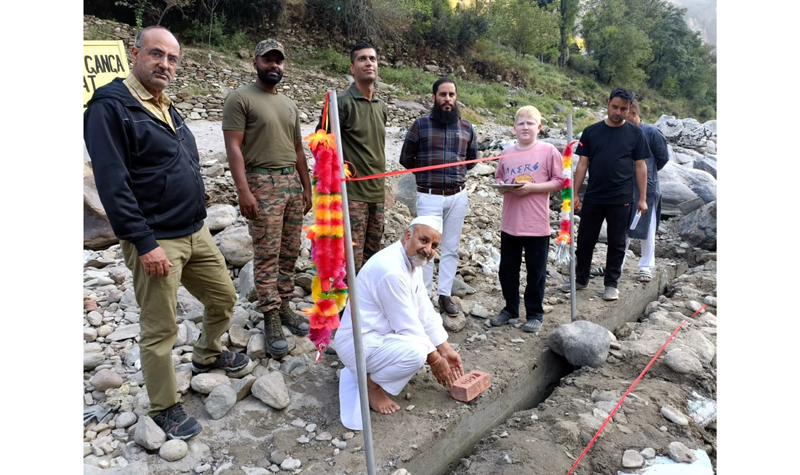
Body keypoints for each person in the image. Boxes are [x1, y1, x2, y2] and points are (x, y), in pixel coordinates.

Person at [84, 26, 250, 440]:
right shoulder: (111, 107)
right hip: (156, 239)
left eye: (172, 58)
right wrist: (144, 243)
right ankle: (163, 406)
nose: (165, 64)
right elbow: (113, 184)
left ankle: (206, 354)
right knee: (161, 328)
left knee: (223, 298)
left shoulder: (165, 105)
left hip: (194, 230)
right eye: (157, 54)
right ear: (135, 52)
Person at [222, 39, 313, 358]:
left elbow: (298, 148)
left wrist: (307, 187)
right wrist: (243, 190)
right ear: (256, 63)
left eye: (278, 60)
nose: (274, 65)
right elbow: (233, 147)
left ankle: (284, 304)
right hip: (262, 182)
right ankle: (270, 316)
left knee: (289, 251)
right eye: (267, 59)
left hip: (291, 183)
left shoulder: (289, 104)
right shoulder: (240, 98)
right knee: (267, 254)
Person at [334, 216, 465, 431]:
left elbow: (423, 310)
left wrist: (446, 349)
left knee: (423, 348)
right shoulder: (391, 270)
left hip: (380, 337)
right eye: (423, 240)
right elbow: (407, 325)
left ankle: (374, 373)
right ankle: (372, 385)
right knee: (417, 353)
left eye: (434, 246)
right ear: (407, 236)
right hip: (358, 344)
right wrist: (435, 361)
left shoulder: (412, 262)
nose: (428, 250)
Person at [399, 77, 478, 316]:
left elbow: (472, 160)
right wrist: (428, 175)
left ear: (456, 98)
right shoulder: (420, 125)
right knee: (424, 248)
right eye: (443, 94)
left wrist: (453, 175)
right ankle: (423, 297)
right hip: (429, 196)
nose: (447, 99)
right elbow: (406, 158)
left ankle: (444, 295)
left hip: (458, 197)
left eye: (451, 95)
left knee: (451, 247)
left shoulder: (467, 127)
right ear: (434, 98)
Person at [562, 88, 650, 301]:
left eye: (623, 109)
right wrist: (575, 193)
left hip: (621, 198)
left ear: (629, 109)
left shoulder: (636, 133)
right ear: (608, 103)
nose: (618, 112)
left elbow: (641, 166)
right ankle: (581, 279)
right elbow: (582, 164)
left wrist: (642, 198)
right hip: (594, 195)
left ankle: (611, 284)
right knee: (585, 240)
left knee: (617, 242)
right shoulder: (591, 132)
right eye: (615, 107)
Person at [489, 106, 564, 333]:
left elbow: (559, 181)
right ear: (514, 127)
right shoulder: (507, 152)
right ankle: (510, 309)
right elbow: (499, 178)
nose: (525, 127)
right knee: (507, 271)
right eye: (521, 123)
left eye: (530, 123)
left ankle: (535, 314)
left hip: (537, 225)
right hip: (510, 223)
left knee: (536, 273)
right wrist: (502, 187)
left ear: (539, 127)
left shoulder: (548, 151)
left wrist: (532, 188)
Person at [320, 43, 388, 273]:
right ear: (352, 67)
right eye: (362, 59)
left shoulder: (381, 106)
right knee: (350, 261)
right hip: (352, 196)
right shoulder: (340, 102)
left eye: (372, 59)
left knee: (372, 260)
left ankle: (366, 297)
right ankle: (346, 299)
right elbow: (321, 144)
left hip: (377, 194)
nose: (369, 63)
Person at [624, 101, 670, 282]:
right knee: (621, 227)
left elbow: (663, 158)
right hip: (625, 186)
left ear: (634, 114)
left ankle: (646, 266)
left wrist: (648, 171)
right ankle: (616, 264)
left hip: (648, 187)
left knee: (648, 228)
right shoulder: (623, 132)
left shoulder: (651, 132)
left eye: (625, 115)